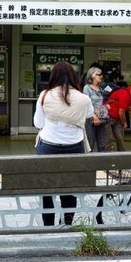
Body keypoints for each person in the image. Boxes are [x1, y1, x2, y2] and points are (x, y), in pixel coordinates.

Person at [34, 61, 93, 227]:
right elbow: (89, 115)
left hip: (47, 147)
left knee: (47, 190)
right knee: (70, 189)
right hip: (75, 148)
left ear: (53, 76)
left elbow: (38, 123)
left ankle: (49, 226)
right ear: (74, 77)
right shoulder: (84, 98)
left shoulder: (45, 95)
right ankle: (67, 224)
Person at [107, 82, 131, 151]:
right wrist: (124, 123)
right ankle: (109, 155)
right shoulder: (125, 94)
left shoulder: (130, 96)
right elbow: (121, 112)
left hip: (116, 118)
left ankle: (121, 154)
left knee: (120, 138)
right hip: (109, 117)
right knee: (109, 139)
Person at [82, 67, 113, 152]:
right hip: (90, 119)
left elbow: (100, 103)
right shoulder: (87, 87)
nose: (101, 76)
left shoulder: (100, 88)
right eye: (99, 74)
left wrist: (106, 106)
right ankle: (88, 160)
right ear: (92, 75)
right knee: (90, 144)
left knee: (102, 145)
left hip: (101, 118)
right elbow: (86, 103)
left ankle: (101, 160)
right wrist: (94, 116)